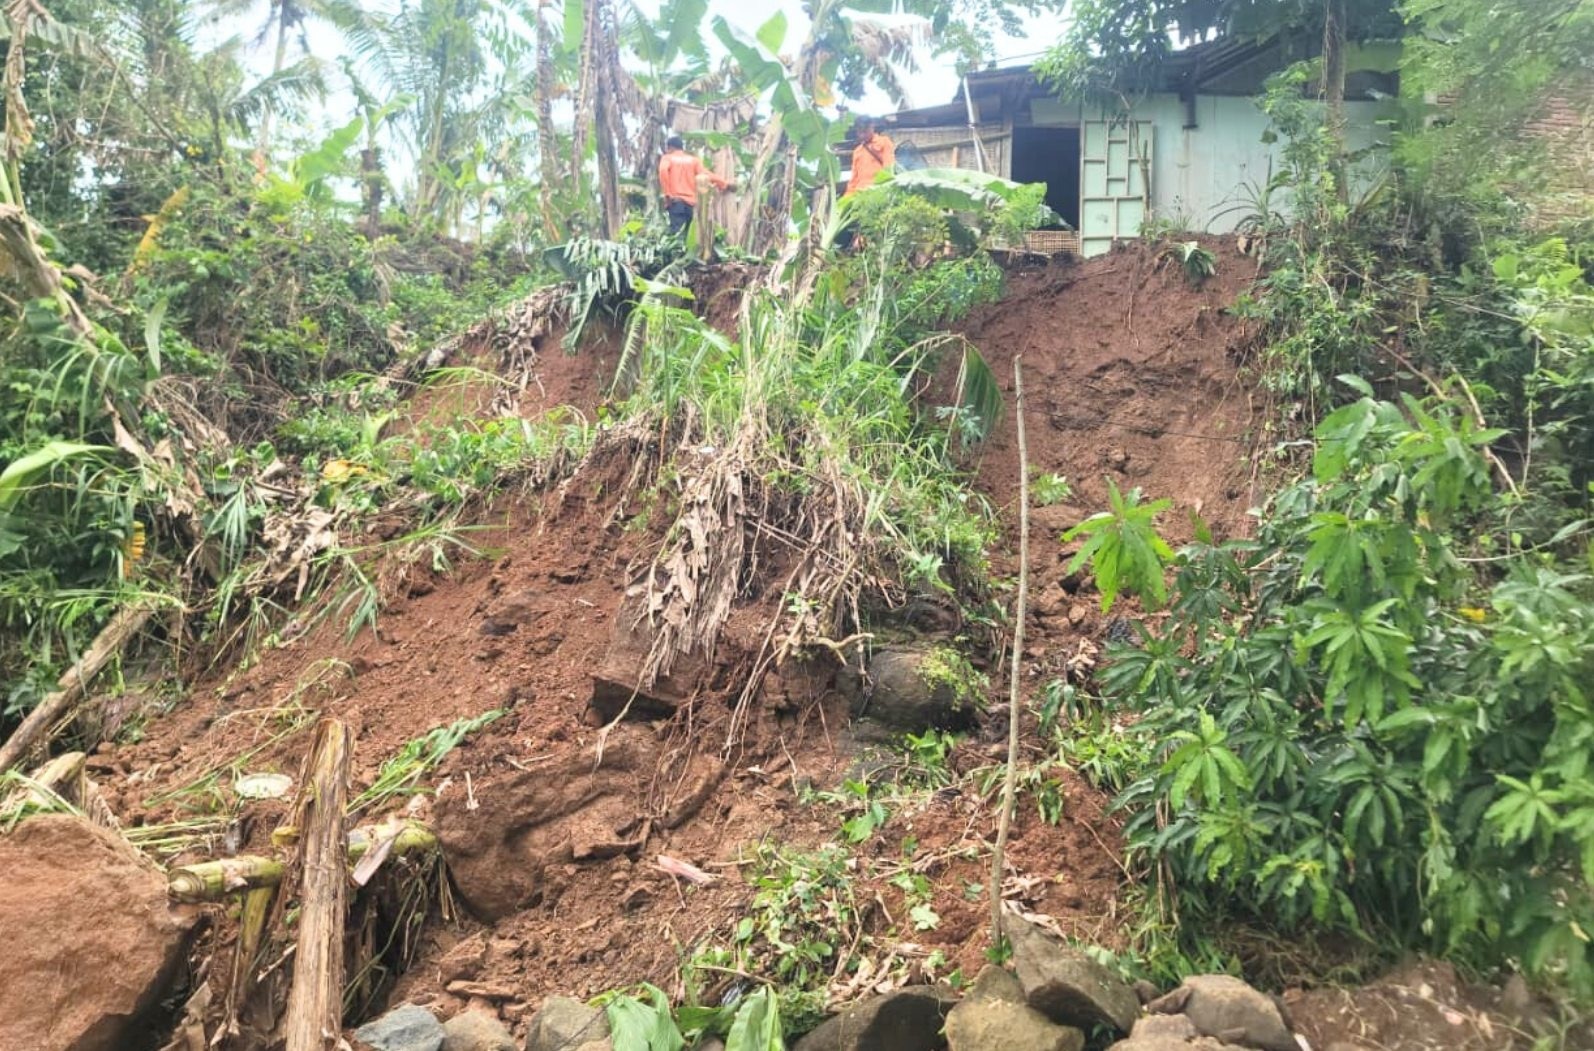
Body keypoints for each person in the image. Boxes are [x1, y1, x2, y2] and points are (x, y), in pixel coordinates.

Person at [657, 135, 730, 236]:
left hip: (676, 201)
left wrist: (667, 194)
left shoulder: (667, 158)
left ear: (670, 147)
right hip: (691, 204)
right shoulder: (693, 160)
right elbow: (706, 174)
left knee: (678, 235)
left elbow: (663, 171)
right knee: (690, 235)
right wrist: (723, 183)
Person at [844, 117, 895, 197]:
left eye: (865, 131)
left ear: (872, 127)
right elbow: (853, 179)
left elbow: (888, 169)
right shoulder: (857, 151)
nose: (862, 135)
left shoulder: (884, 142)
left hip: (878, 192)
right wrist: (847, 197)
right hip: (859, 195)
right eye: (860, 132)